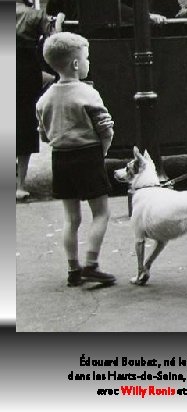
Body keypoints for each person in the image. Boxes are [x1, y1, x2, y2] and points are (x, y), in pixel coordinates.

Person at [36, 32, 116, 287]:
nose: (88, 62)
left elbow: (43, 133)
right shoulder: (88, 93)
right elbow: (105, 128)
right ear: (76, 64)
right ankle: (91, 265)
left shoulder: (44, 98)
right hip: (88, 155)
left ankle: (73, 269)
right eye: (87, 57)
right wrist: (102, 150)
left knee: (71, 218)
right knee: (101, 213)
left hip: (61, 158)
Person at [16, 0, 62, 201]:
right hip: (25, 71)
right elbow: (53, 40)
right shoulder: (35, 16)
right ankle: (20, 185)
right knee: (24, 124)